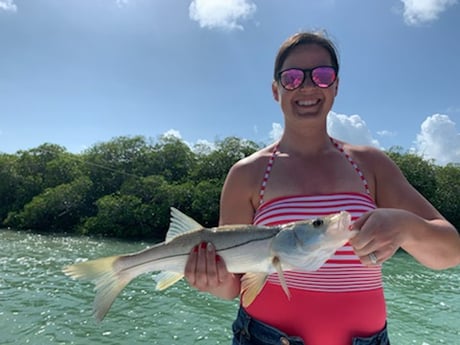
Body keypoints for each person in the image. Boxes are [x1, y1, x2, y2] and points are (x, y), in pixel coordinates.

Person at [184, 31, 460, 345]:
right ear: (276, 91)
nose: (307, 86)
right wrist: (212, 280)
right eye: (291, 78)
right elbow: (236, 284)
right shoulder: (247, 173)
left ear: (336, 86)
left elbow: (451, 251)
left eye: (322, 75)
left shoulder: (371, 164)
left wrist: (406, 227)